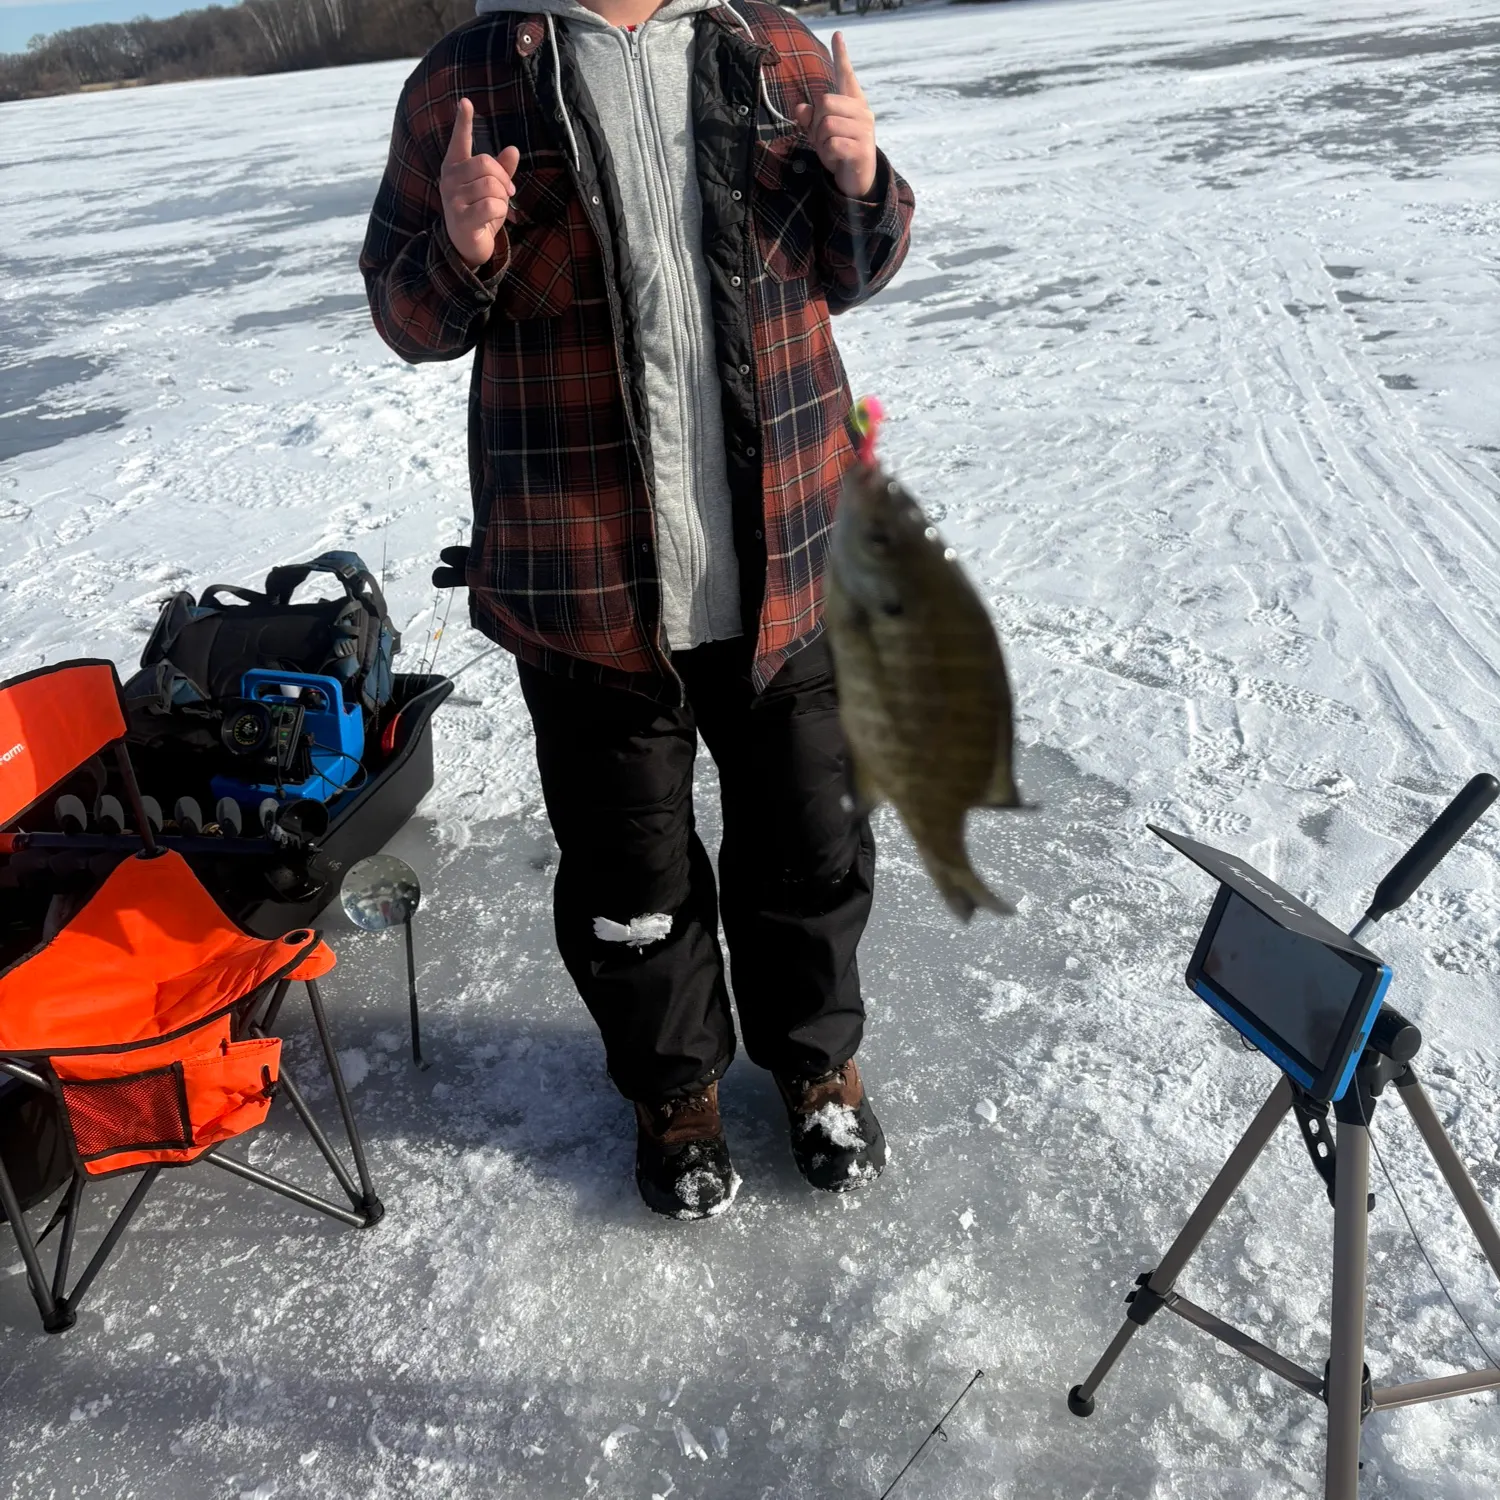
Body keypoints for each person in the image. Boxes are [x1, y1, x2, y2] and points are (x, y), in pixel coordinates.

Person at [361, 0, 914, 1220]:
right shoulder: (464, 78)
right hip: (589, 589)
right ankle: (678, 1095)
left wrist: (863, 174)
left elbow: (856, 264)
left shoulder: (771, 50)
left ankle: (817, 1066)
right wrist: (457, 245)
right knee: (631, 882)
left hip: (786, 567)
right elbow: (404, 318)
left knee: (811, 849)